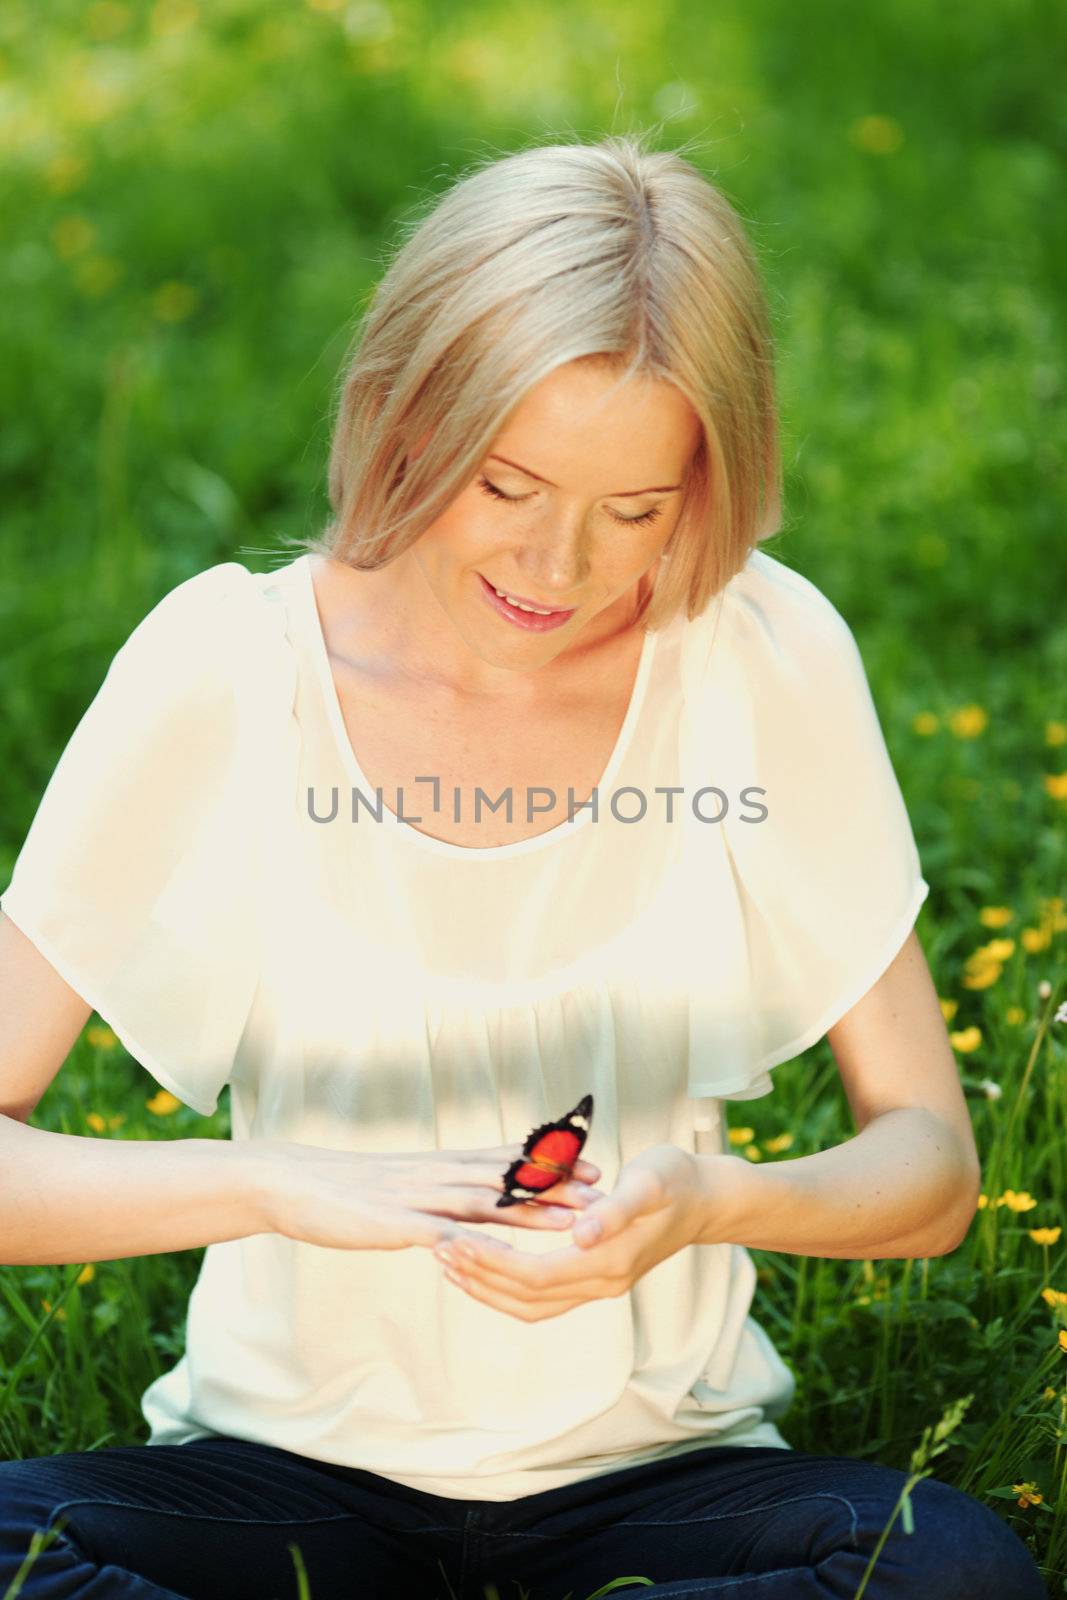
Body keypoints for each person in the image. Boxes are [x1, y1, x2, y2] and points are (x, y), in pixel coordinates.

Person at [0, 132, 1045, 1599]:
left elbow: (929, 1171)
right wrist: (273, 1181)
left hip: (662, 1480)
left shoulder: (759, 655)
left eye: (637, 513)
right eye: (508, 486)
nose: (559, 567)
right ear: (402, 415)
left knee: (954, 1574)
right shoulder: (228, 668)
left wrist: (710, 1200)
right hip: (282, 1477)